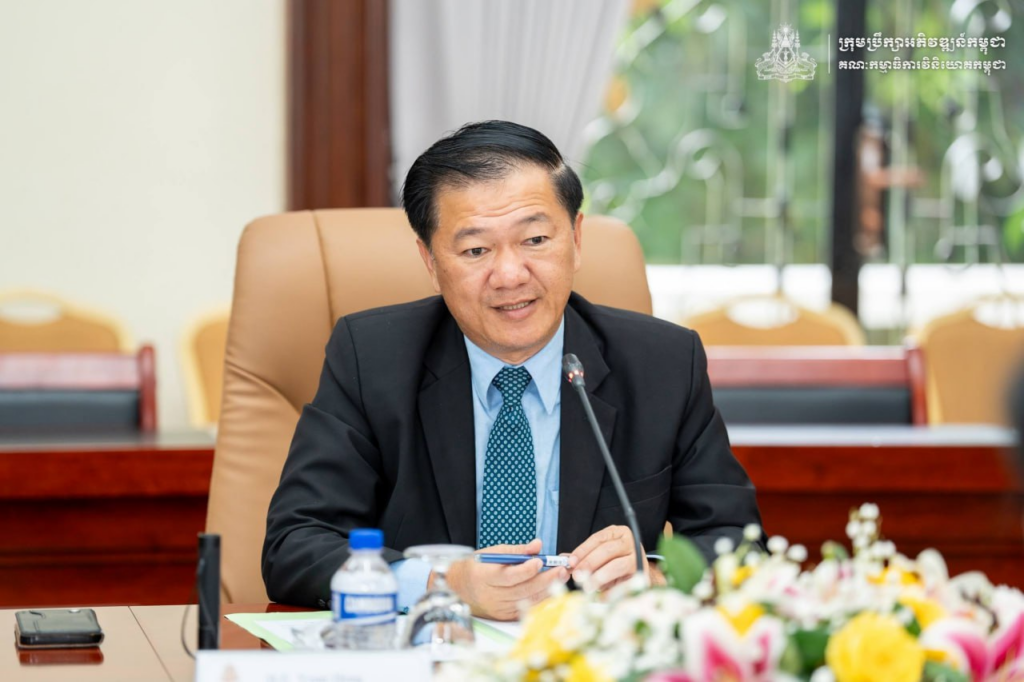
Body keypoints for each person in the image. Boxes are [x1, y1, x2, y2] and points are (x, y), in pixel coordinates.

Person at [262, 120, 762, 620]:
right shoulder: (372, 357)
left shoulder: (662, 363)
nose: (509, 275)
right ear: (430, 261)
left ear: (576, 238)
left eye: (535, 239)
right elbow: (296, 544)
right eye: (476, 250)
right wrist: (443, 582)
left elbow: (739, 547)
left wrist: (656, 578)